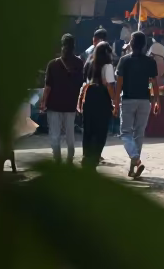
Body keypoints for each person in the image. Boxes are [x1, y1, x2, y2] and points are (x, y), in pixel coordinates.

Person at [116, 31, 160, 179]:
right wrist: (157, 101)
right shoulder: (150, 61)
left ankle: (136, 159)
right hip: (144, 101)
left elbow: (119, 84)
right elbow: (154, 83)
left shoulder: (124, 60)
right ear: (144, 45)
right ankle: (133, 169)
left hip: (128, 100)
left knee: (125, 133)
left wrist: (116, 103)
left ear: (131, 44)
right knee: (138, 134)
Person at [39, 34, 84, 164]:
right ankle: (70, 158)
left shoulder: (52, 64)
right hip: (70, 104)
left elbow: (48, 87)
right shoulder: (79, 63)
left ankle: (57, 158)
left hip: (54, 105)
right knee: (70, 133)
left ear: (62, 45)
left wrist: (43, 103)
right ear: (74, 46)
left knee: (55, 133)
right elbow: (81, 84)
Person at [78, 42, 118, 169]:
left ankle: (86, 156)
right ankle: (94, 159)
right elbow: (109, 85)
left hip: (89, 96)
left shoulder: (89, 64)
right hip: (102, 98)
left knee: (88, 129)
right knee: (100, 131)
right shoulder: (108, 66)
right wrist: (115, 101)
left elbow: (85, 81)